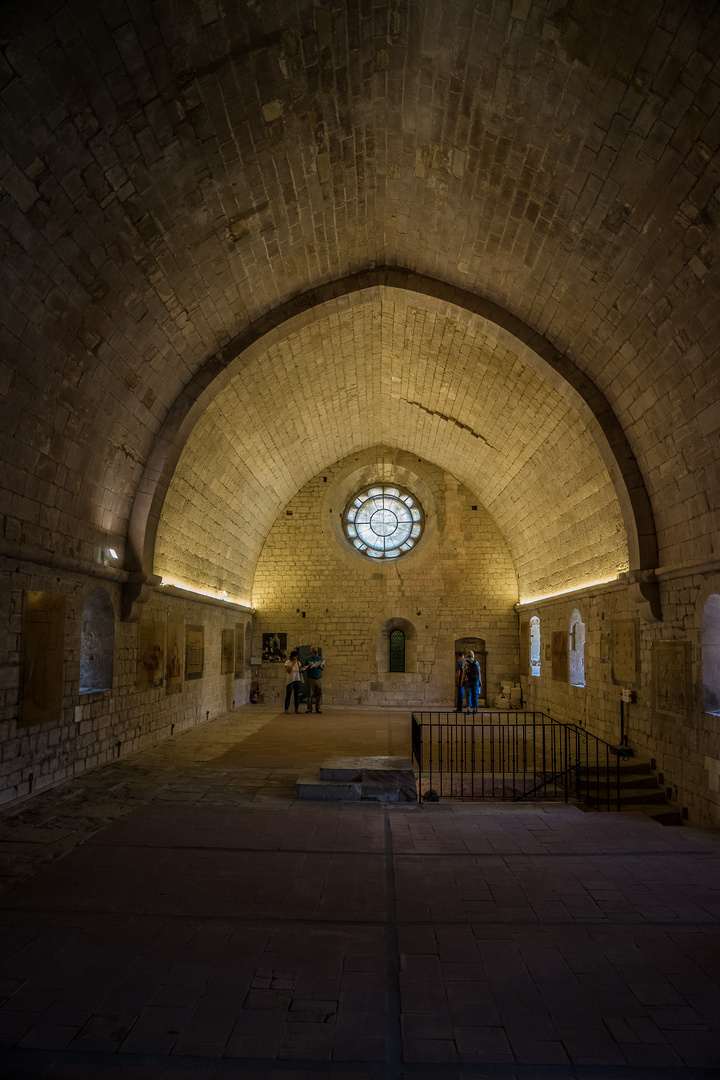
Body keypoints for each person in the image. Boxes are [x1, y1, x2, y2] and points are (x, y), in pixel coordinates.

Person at [302, 646, 325, 713]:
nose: (316, 653)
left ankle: (318, 708)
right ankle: (309, 708)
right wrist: (309, 667)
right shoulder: (308, 659)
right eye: (315, 652)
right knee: (310, 694)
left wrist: (320, 666)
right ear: (311, 652)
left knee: (319, 693)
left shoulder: (320, 658)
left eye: (317, 652)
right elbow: (304, 669)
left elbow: (323, 668)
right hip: (311, 678)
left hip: (319, 678)